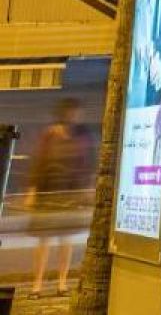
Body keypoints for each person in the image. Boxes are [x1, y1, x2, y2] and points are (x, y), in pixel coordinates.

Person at [26, 97, 95, 297]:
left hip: (69, 194)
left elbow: (87, 163)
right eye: (72, 112)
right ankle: (37, 285)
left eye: (77, 113)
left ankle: (62, 283)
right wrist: (32, 190)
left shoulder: (82, 136)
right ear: (64, 113)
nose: (75, 116)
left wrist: (87, 188)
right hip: (48, 192)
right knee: (44, 242)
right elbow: (38, 162)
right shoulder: (49, 135)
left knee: (65, 240)